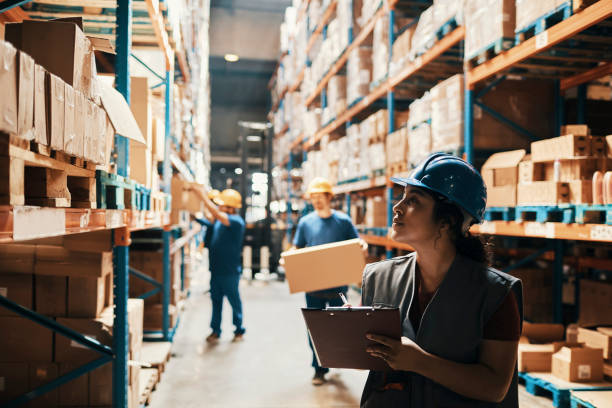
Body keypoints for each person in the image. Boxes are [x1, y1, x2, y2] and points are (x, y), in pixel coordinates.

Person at [359, 153, 523, 407]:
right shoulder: (378, 278)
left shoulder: (495, 294)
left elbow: (495, 387)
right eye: (403, 196)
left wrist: (419, 361)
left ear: (446, 222)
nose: (397, 207)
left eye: (413, 200)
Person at [292, 177, 368, 386]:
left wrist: (361, 245)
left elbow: (356, 243)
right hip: (313, 287)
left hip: (338, 287)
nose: (316, 200)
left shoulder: (343, 221)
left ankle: (334, 359)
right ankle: (319, 369)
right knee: (315, 330)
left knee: (338, 327)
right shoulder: (306, 222)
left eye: (320, 196)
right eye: (313, 197)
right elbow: (297, 249)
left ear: (329, 197)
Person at [191, 187, 246, 344]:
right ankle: (215, 330)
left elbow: (215, 215)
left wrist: (201, 196)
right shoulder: (219, 222)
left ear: (230, 207)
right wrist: (193, 216)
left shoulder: (236, 221)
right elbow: (210, 221)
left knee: (234, 301)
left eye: (221, 204)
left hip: (230, 272)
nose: (219, 207)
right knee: (216, 302)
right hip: (216, 271)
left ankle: (239, 330)